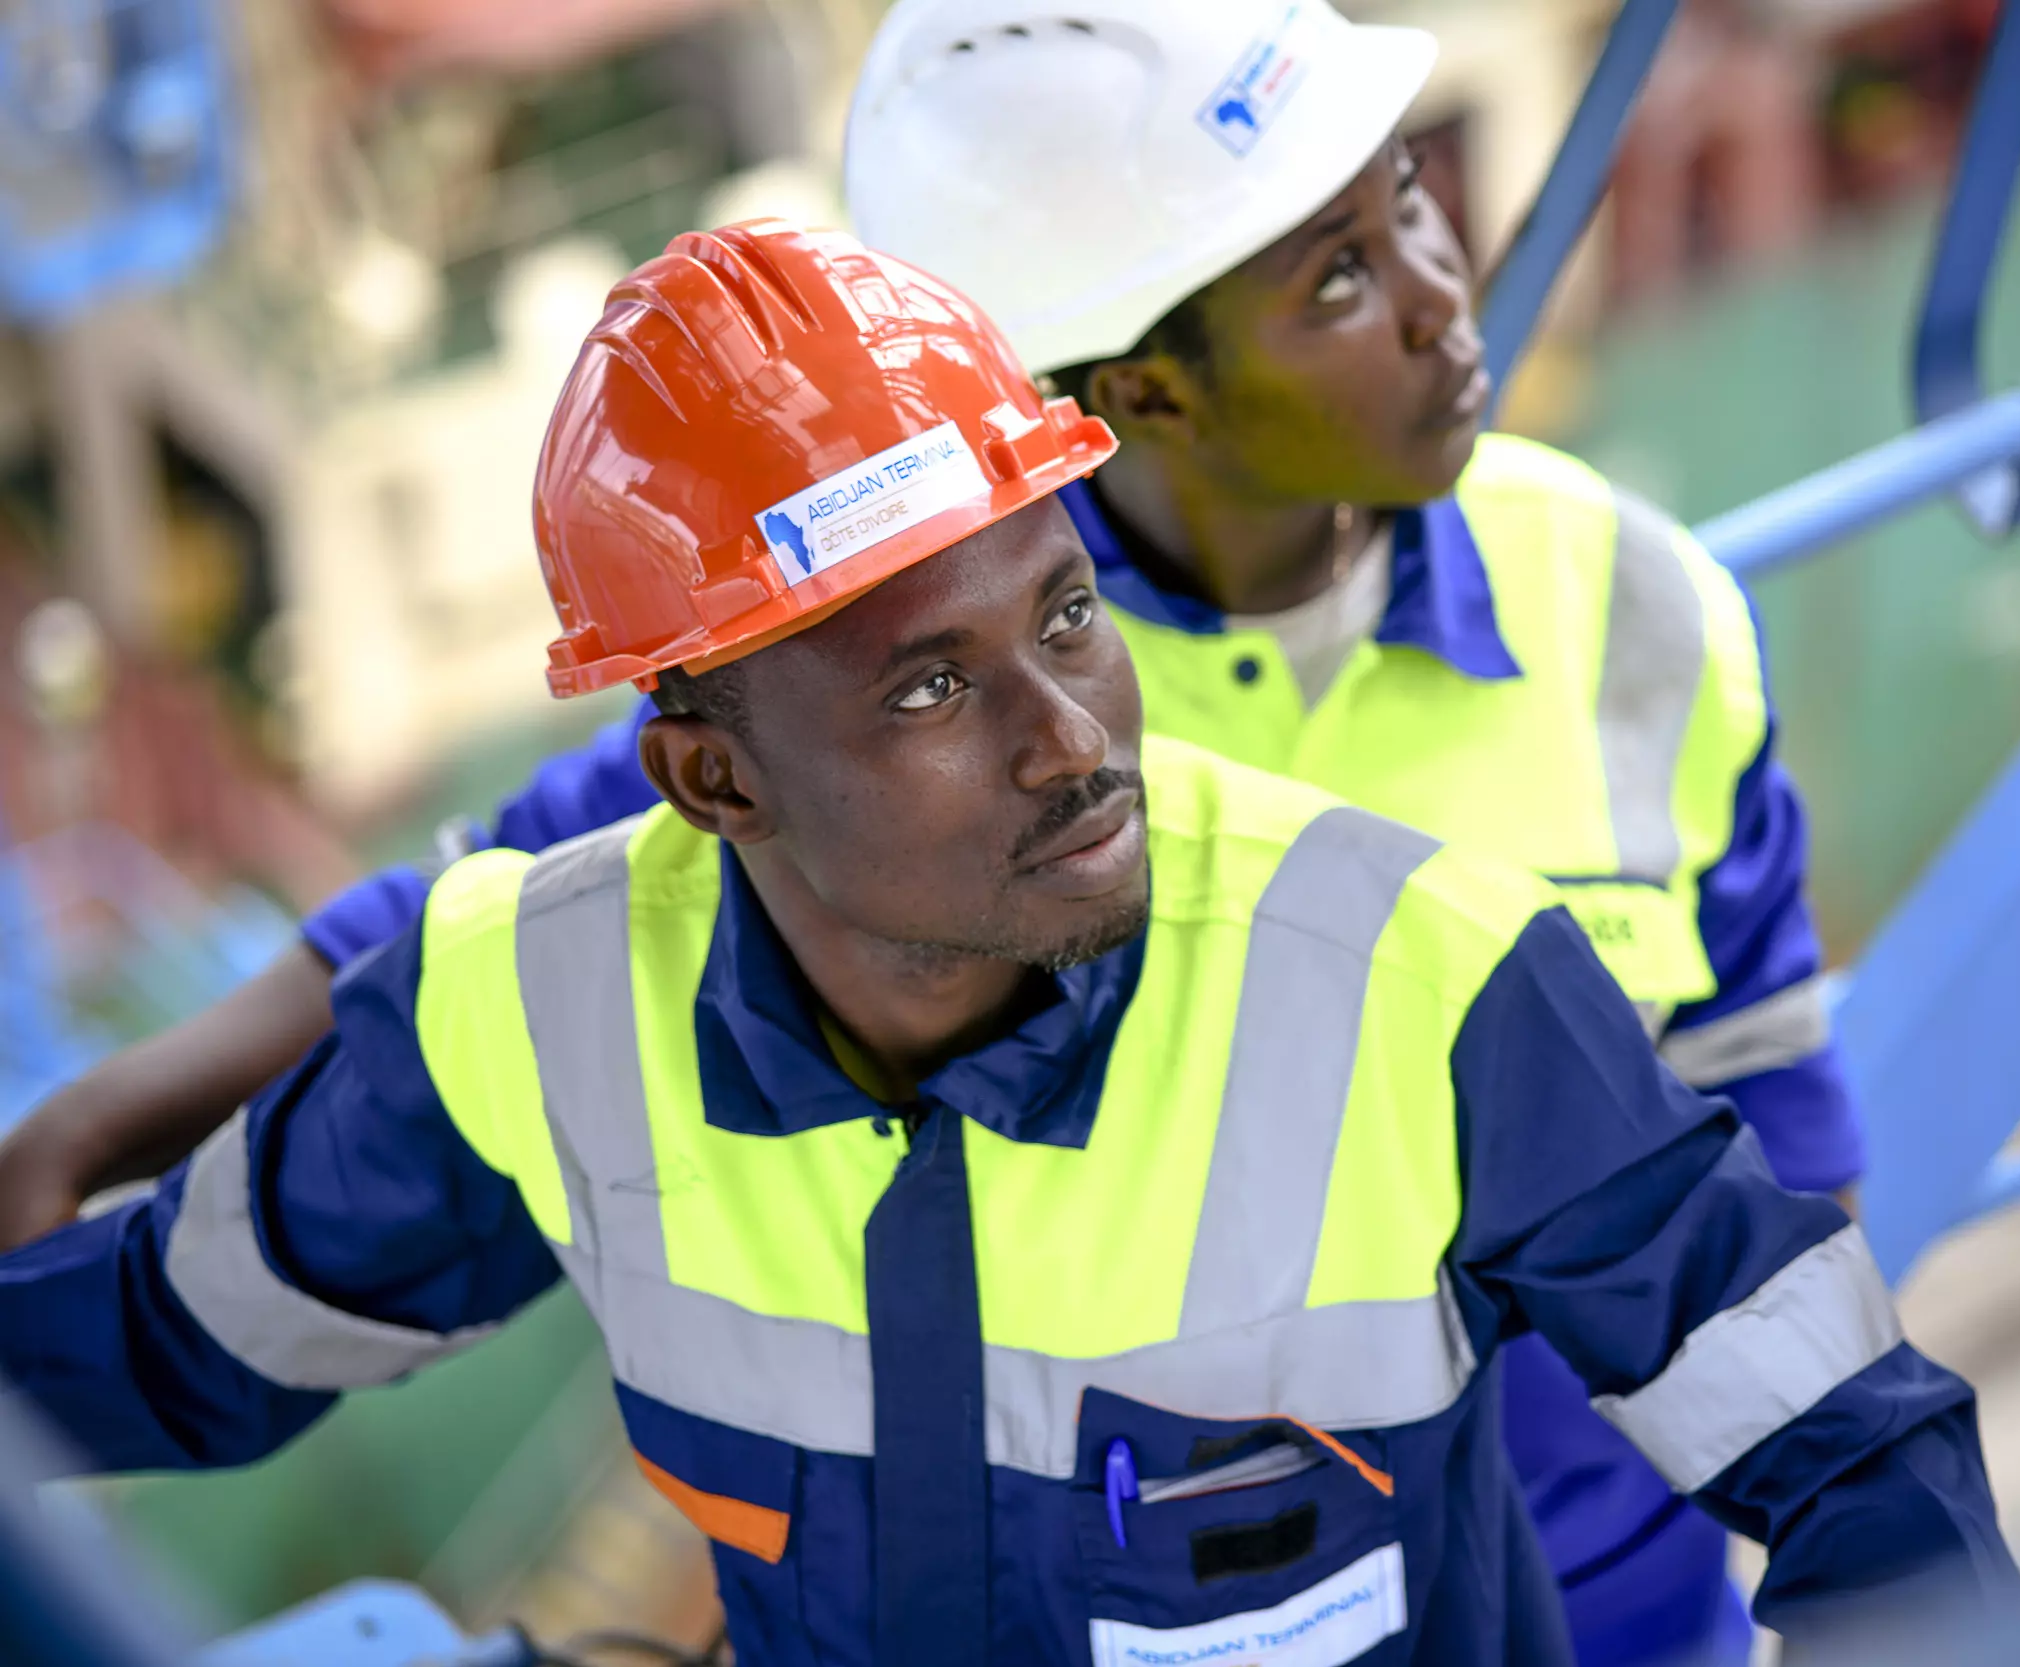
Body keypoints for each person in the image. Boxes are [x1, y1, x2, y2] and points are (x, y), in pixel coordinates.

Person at [0, 4, 1858, 1659]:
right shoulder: (906, 717)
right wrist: (102, 1114)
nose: (1455, 296)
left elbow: (1770, 1101)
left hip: (1605, 1579)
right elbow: (483, 923)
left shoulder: (1623, 610)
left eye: (1410, 212)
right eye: (1339, 275)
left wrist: (1763, 1411)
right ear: (1136, 390)